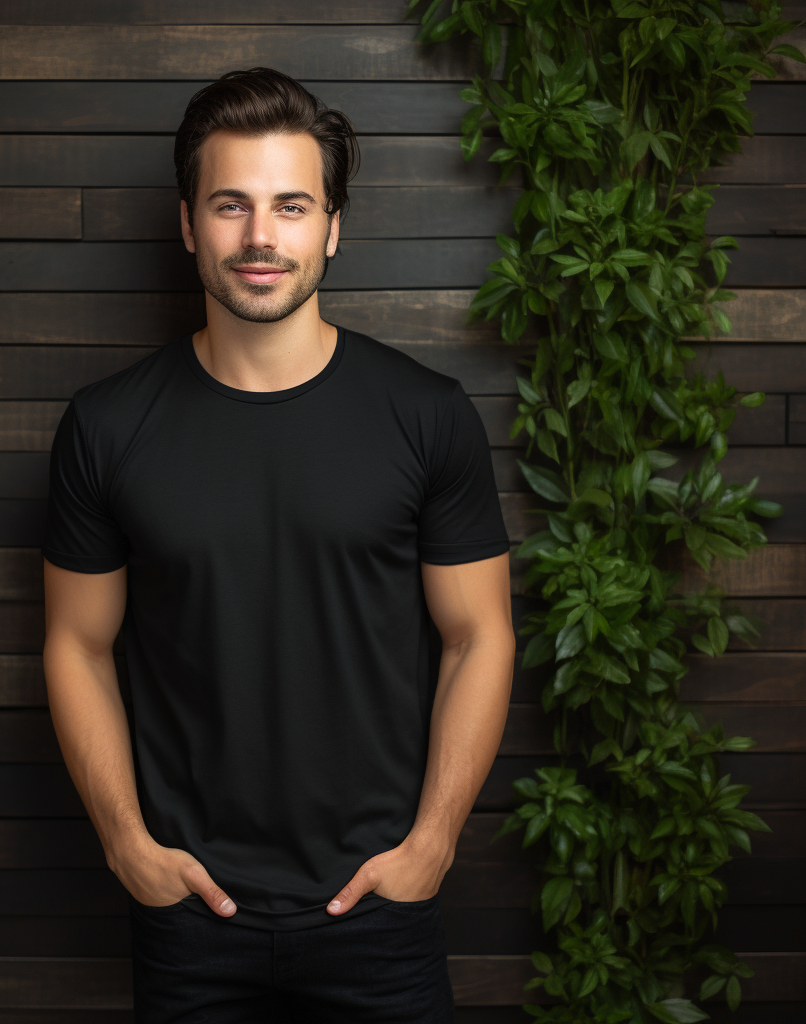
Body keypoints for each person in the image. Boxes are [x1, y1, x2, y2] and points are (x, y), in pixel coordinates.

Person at [41, 66, 515, 1024]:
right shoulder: (105, 427)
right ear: (188, 223)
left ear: (332, 227)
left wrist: (433, 844)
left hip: (380, 909)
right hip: (188, 916)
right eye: (232, 205)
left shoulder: (427, 416)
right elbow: (76, 644)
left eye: (292, 205)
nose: (261, 237)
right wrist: (126, 844)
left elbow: (480, 638)